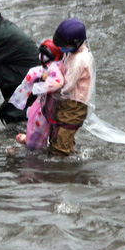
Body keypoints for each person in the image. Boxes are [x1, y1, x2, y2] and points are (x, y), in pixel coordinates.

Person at [46, 18, 95, 156]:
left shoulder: (80, 60)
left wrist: (47, 85)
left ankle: (63, 174)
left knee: (59, 145)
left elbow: (66, 87)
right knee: (59, 136)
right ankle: (70, 159)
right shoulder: (72, 53)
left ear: (75, 43)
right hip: (68, 103)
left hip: (73, 105)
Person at [8, 39, 64, 151]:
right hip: (42, 103)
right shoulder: (47, 68)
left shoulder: (55, 68)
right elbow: (32, 75)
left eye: (45, 55)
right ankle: (30, 140)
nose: (42, 57)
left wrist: (38, 87)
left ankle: (32, 147)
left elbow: (57, 82)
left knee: (41, 128)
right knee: (34, 123)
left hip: (51, 105)